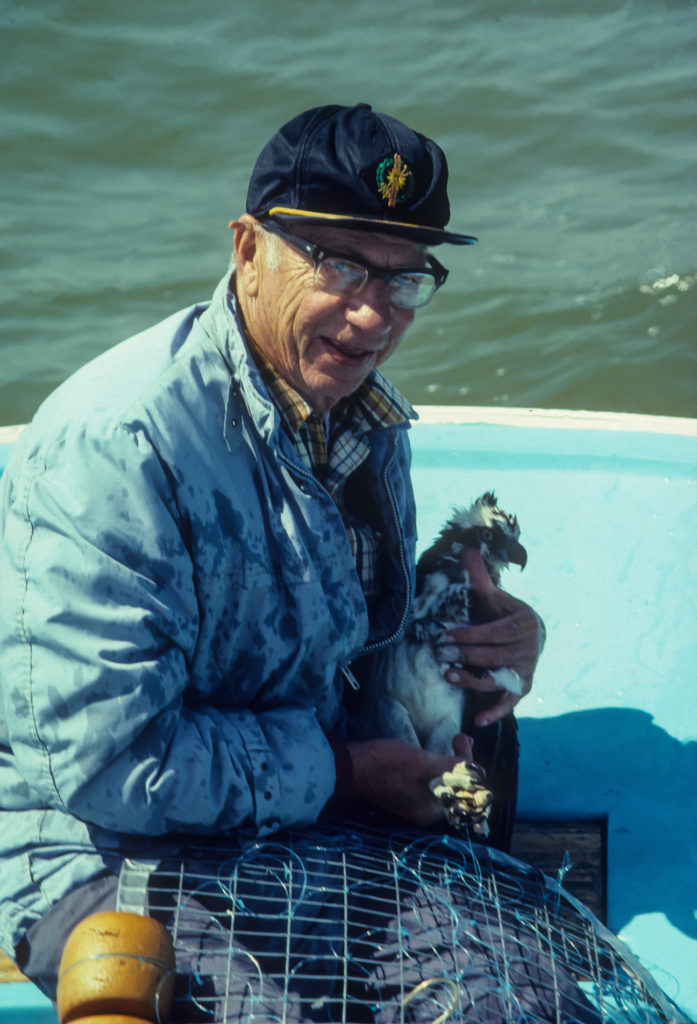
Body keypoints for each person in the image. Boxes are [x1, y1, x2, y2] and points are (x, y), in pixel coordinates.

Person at [0, 103, 543, 1017]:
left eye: (406, 278)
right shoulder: (119, 445)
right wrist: (345, 771)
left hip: (312, 819)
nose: (373, 313)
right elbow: (108, 767)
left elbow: (347, 654)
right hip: (110, 851)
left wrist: (474, 652)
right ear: (247, 248)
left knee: (518, 1001)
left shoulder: (363, 417)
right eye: (338, 265)